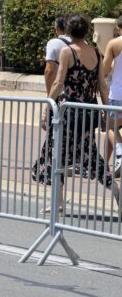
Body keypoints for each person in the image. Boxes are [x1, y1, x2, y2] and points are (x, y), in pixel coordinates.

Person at [33, 15, 114, 213]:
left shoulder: (66, 52)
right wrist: (105, 112)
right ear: (86, 31)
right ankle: (116, 190)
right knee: (91, 156)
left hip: (67, 112)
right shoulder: (96, 52)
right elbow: (103, 86)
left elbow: (58, 83)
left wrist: (47, 107)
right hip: (88, 113)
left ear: (68, 32)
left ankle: (58, 202)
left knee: (56, 153)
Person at [99, 15, 122, 175]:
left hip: (118, 93)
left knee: (109, 125)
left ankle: (120, 152)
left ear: (119, 28)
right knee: (113, 127)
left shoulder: (114, 43)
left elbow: (105, 69)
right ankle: (104, 164)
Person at [44, 15, 72, 93]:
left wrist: (50, 95)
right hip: (78, 95)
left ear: (57, 28)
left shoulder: (53, 43)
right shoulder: (83, 43)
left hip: (59, 94)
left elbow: (49, 70)